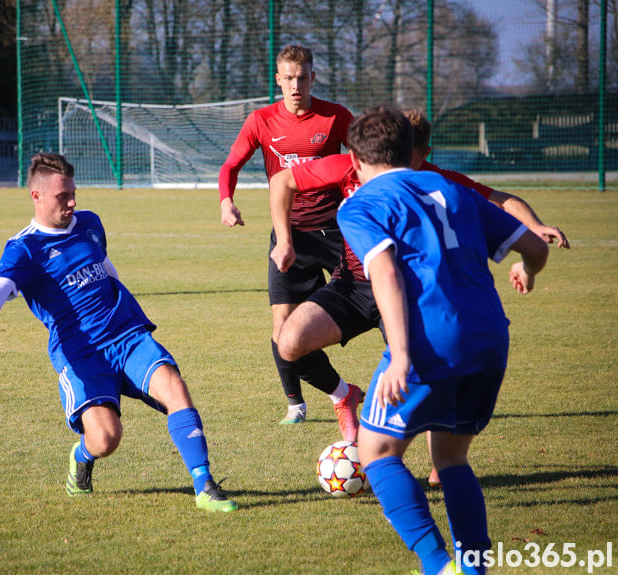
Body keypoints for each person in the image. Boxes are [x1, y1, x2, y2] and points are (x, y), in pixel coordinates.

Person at [269, 106, 569, 447]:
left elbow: (499, 200)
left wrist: (535, 226)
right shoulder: (352, 169)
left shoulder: (438, 181)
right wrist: (284, 239)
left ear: (421, 153)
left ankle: (443, 459)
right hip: (354, 284)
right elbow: (283, 179)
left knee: (427, 377)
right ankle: (344, 395)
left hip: (414, 291)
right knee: (288, 341)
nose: (394, 168)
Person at [338, 105, 548, 575]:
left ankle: (438, 565)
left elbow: (386, 272)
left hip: (432, 344)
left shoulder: (361, 204)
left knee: (376, 453)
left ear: (355, 159)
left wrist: (401, 357)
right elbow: (535, 246)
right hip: (490, 340)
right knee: (451, 456)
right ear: (410, 150)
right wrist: (525, 269)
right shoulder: (456, 191)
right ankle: (473, 567)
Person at [0, 152, 237, 513]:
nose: (72, 202)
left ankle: (205, 487)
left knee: (174, 386)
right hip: (81, 354)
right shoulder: (25, 248)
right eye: (63, 196)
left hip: (126, 335)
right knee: (106, 438)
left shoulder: (89, 223)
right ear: (37, 196)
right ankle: (81, 457)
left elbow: (105, 267)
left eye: (73, 192)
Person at [218, 43, 362, 432]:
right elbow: (231, 164)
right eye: (289, 78)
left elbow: (367, 158)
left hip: (337, 232)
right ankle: (300, 403)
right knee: (282, 328)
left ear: (313, 77)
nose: (296, 85)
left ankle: (408, 386)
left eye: (303, 77)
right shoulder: (261, 121)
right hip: (289, 236)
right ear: (278, 80)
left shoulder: (336, 117)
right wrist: (226, 201)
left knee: (377, 303)